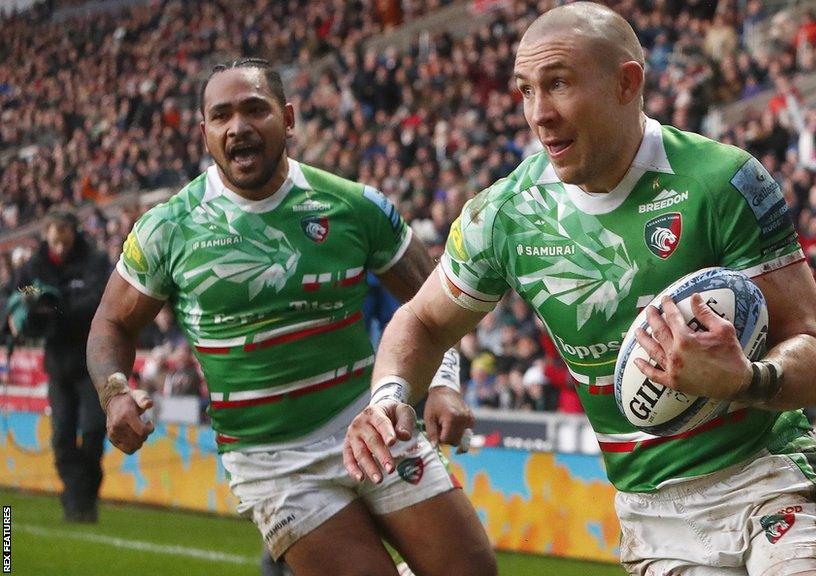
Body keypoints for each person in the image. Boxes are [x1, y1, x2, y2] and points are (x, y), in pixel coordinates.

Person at [343, 4, 816, 575]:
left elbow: (813, 356)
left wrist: (746, 379)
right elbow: (421, 322)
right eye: (525, 91)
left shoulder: (722, 181)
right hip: (654, 517)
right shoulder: (506, 215)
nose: (539, 115)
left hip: (772, 480)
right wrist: (390, 397)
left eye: (560, 84)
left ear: (628, 83)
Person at [86, 59, 496, 576]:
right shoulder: (168, 229)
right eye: (221, 116)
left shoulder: (354, 206)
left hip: (370, 424)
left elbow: (434, 299)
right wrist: (115, 392)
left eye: (255, 110)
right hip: (271, 460)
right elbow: (111, 324)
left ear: (288, 117)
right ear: (205, 132)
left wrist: (442, 383)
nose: (238, 127)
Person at [9, 208, 110, 522]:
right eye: (53, 235)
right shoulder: (35, 265)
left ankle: (84, 495)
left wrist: (55, 308)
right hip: (58, 362)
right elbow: (19, 291)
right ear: (46, 235)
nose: (59, 242)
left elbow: (96, 301)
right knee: (62, 437)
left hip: (92, 360)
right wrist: (36, 298)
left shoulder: (94, 262)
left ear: (73, 232)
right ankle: (75, 500)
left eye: (64, 234)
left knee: (94, 433)